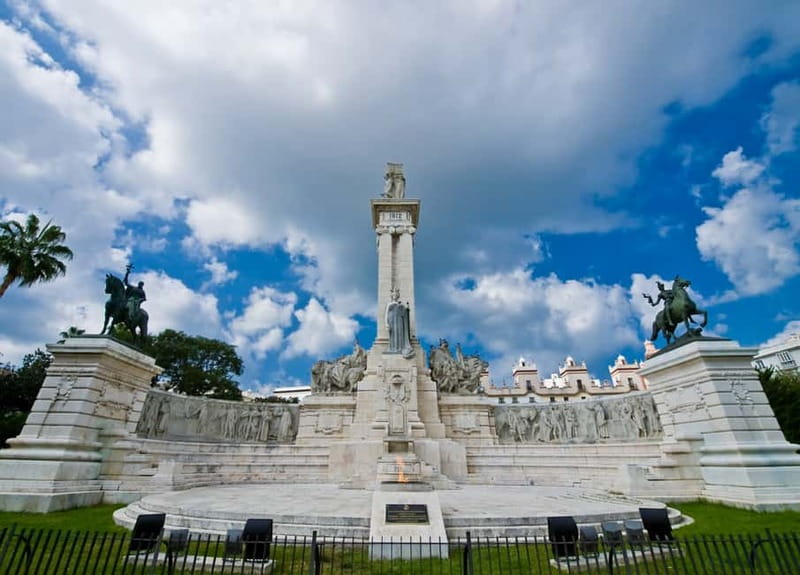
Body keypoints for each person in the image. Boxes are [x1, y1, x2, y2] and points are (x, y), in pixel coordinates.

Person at [385, 288, 412, 355]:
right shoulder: (389, 304)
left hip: (399, 321)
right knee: (392, 335)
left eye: (396, 295)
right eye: (393, 295)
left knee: (399, 333)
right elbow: (386, 314)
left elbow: (403, 313)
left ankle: (400, 348)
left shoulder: (400, 305)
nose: (394, 296)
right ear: (391, 296)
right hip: (391, 321)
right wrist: (386, 323)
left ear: (398, 296)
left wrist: (407, 310)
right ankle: (393, 348)